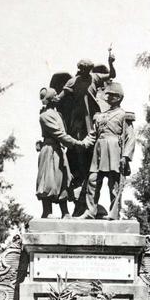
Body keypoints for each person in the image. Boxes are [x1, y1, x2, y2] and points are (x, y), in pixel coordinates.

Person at [53, 54, 116, 207]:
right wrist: (52, 101)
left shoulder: (94, 77)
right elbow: (61, 96)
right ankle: (80, 177)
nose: (87, 72)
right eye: (84, 70)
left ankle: (90, 180)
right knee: (79, 148)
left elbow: (112, 75)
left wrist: (110, 62)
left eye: (88, 70)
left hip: (93, 116)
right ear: (80, 69)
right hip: (78, 120)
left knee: (93, 148)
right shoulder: (73, 81)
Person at [36, 87, 94, 218]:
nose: (58, 97)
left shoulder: (58, 114)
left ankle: (65, 212)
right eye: (55, 95)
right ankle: (47, 211)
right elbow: (60, 134)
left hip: (59, 149)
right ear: (50, 99)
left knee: (63, 179)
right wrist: (77, 143)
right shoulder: (45, 116)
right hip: (49, 150)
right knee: (48, 179)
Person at [82, 82, 135, 219]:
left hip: (114, 152)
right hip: (98, 151)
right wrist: (81, 144)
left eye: (112, 95)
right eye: (108, 94)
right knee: (93, 181)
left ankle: (114, 213)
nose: (109, 97)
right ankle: (90, 211)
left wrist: (125, 156)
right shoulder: (100, 116)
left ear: (119, 97)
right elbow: (92, 135)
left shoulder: (124, 115)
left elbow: (130, 138)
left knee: (114, 184)